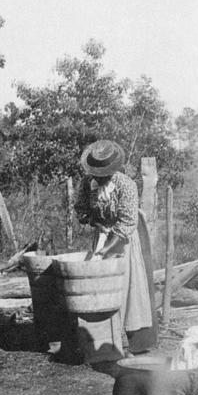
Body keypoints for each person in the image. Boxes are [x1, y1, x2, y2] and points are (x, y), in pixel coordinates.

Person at [74, 140, 156, 363]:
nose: (99, 178)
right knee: (98, 288)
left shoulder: (126, 185)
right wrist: (94, 223)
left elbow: (126, 224)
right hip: (101, 236)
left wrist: (105, 252)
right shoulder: (86, 184)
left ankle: (131, 344)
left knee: (126, 288)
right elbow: (80, 210)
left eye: (104, 174)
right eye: (96, 174)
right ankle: (101, 342)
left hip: (123, 241)